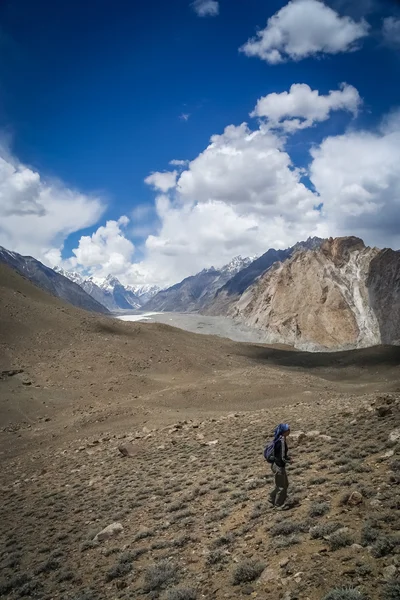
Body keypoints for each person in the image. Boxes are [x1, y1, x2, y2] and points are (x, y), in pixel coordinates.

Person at [268, 423, 291, 510]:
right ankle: (278, 505)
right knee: (282, 487)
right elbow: (282, 457)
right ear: (284, 431)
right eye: (288, 429)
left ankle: (271, 498)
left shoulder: (279, 439)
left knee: (284, 484)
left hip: (276, 465)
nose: (289, 431)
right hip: (278, 466)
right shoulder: (281, 441)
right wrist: (288, 460)